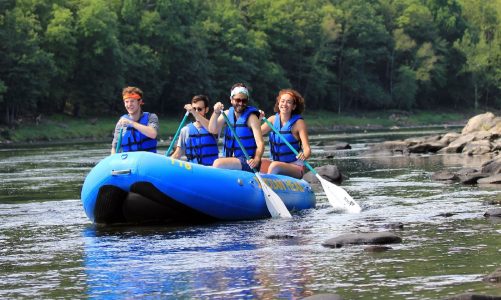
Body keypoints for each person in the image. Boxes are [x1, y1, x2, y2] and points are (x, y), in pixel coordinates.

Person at [208, 83, 264, 172]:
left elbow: (260, 143)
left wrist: (257, 159)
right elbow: (212, 129)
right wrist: (215, 112)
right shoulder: (226, 114)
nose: (241, 103)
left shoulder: (252, 118)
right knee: (216, 163)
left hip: (249, 162)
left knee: (218, 163)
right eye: (237, 100)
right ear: (231, 100)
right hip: (231, 160)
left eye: (244, 100)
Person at [260, 89, 311, 179]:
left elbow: (307, 149)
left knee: (274, 166)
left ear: (293, 106)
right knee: (258, 162)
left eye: (289, 102)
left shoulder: (298, 123)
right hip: (275, 162)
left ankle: (268, 186)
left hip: (295, 166)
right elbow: (255, 133)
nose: (284, 104)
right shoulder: (272, 120)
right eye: (282, 101)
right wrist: (258, 119)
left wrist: (304, 155)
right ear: (279, 103)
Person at [170, 95, 219, 166]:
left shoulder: (214, 127)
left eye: (199, 109)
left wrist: (194, 112)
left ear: (206, 109)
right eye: (194, 109)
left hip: (210, 170)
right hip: (194, 171)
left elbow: (211, 129)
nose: (196, 111)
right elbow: (177, 154)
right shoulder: (185, 130)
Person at [111, 86, 159, 154]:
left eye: (132, 101)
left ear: (140, 102)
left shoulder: (151, 117)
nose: (129, 104)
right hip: (128, 160)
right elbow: (114, 148)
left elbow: (153, 134)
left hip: (148, 160)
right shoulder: (121, 123)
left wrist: (131, 123)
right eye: (126, 102)